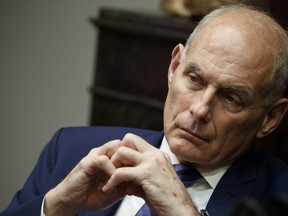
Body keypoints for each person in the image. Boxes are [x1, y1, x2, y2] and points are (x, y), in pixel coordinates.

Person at [1, 4, 288, 216]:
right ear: (174, 68)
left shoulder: (278, 199)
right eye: (194, 79)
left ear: (270, 118)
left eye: (230, 98)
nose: (200, 110)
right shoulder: (68, 150)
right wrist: (54, 207)